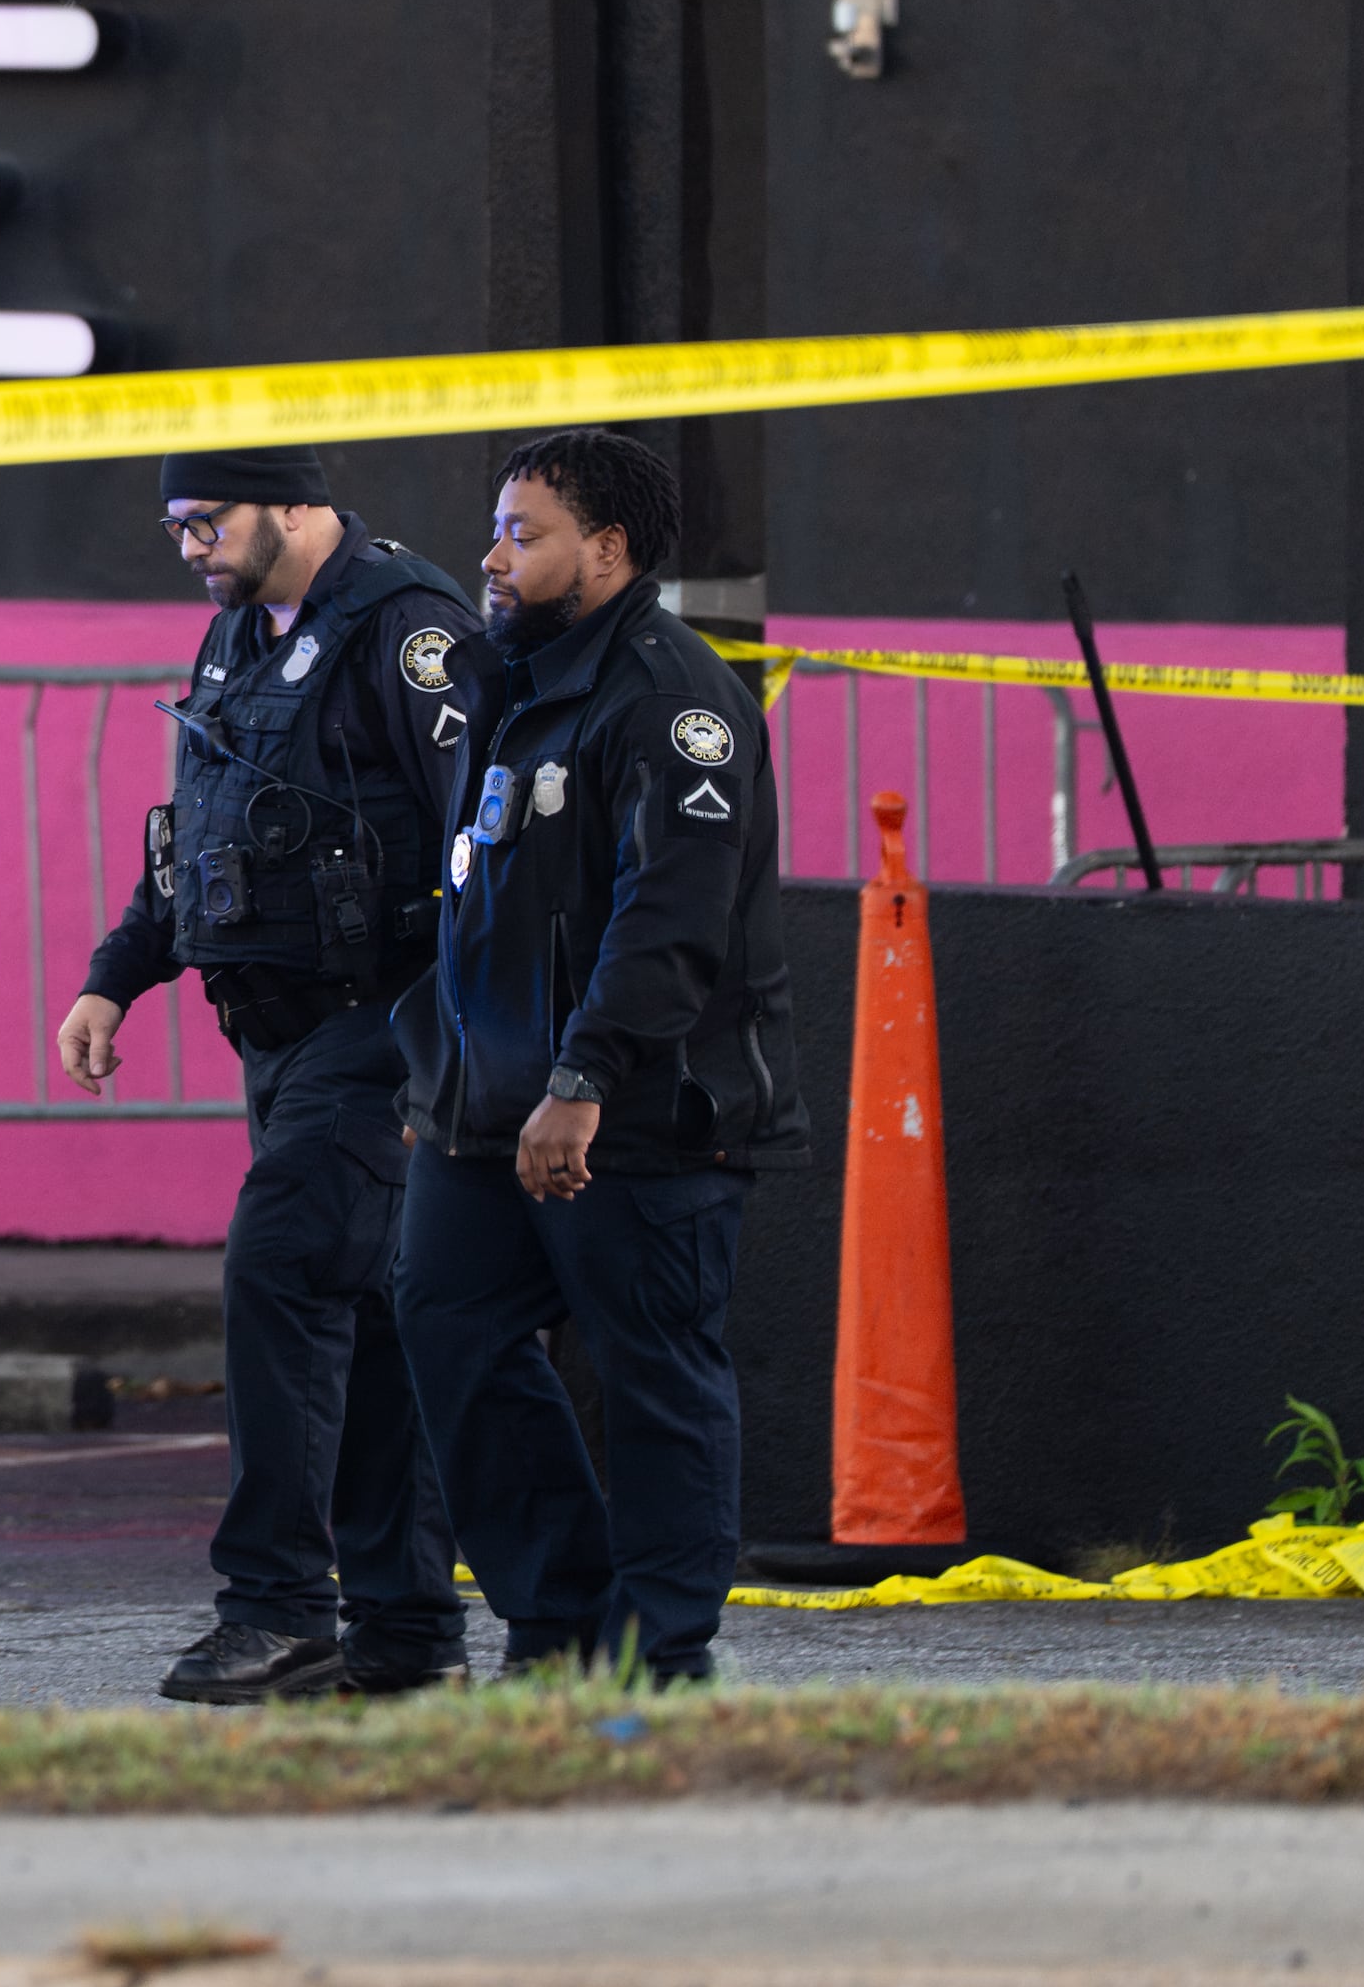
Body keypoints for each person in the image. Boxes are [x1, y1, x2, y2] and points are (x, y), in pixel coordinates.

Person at [54, 447, 479, 1704]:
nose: (190, 547)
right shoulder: (238, 634)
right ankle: (406, 1636)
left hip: (379, 1031)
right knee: (378, 1325)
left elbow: (483, 840)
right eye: (176, 526)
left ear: (294, 505)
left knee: (280, 1273)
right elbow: (199, 830)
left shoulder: (408, 632)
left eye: (208, 521)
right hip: (280, 1037)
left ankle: (277, 1609)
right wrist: (115, 973)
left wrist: (459, 1045)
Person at [390, 426, 809, 1685]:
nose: (495, 554)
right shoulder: (504, 674)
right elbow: (476, 896)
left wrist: (582, 1082)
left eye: (527, 533)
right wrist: (444, 1078)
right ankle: (559, 1619)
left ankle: (658, 1653)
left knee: (657, 1377)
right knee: (446, 1322)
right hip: (485, 1115)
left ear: (609, 550)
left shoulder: (676, 702)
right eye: (500, 528)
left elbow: (668, 923)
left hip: (641, 1118)